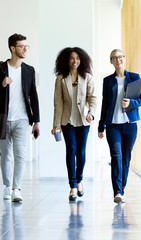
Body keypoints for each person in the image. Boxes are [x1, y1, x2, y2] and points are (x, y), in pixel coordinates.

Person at [0, 33, 40, 202]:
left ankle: (17, 188)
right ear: (12, 48)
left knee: (20, 155)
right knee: (5, 155)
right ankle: (7, 186)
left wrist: (36, 121)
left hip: (22, 119)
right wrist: (1, 84)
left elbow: (33, 96)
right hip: (3, 119)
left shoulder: (29, 70)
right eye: (22, 46)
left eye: (26, 46)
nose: (25, 49)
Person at [98, 49, 141, 204]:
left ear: (124, 59)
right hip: (113, 125)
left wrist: (131, 103)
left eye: (120, 57)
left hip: (130, 125)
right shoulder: (107, 81)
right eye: (114, 57)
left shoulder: (134, 77)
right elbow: (105, 104)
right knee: (116, 156)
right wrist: (101, 126)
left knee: (126, 158)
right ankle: (117, 192)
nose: (118, 59)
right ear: (111, 61)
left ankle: (121, 189)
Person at [51, 47, 97, 201]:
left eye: (77, 58)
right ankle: (72, 186)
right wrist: (56, 124)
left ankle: (79, 181)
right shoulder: (60, 78)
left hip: (84, 120)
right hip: (67, 120)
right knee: (71, 149)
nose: (75, 61)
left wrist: (91, 113)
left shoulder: (88, 77)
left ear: (81, 60)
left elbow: (93, 98)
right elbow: (58, 102)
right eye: (72, 58)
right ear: (67, 60)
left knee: (81, 151)